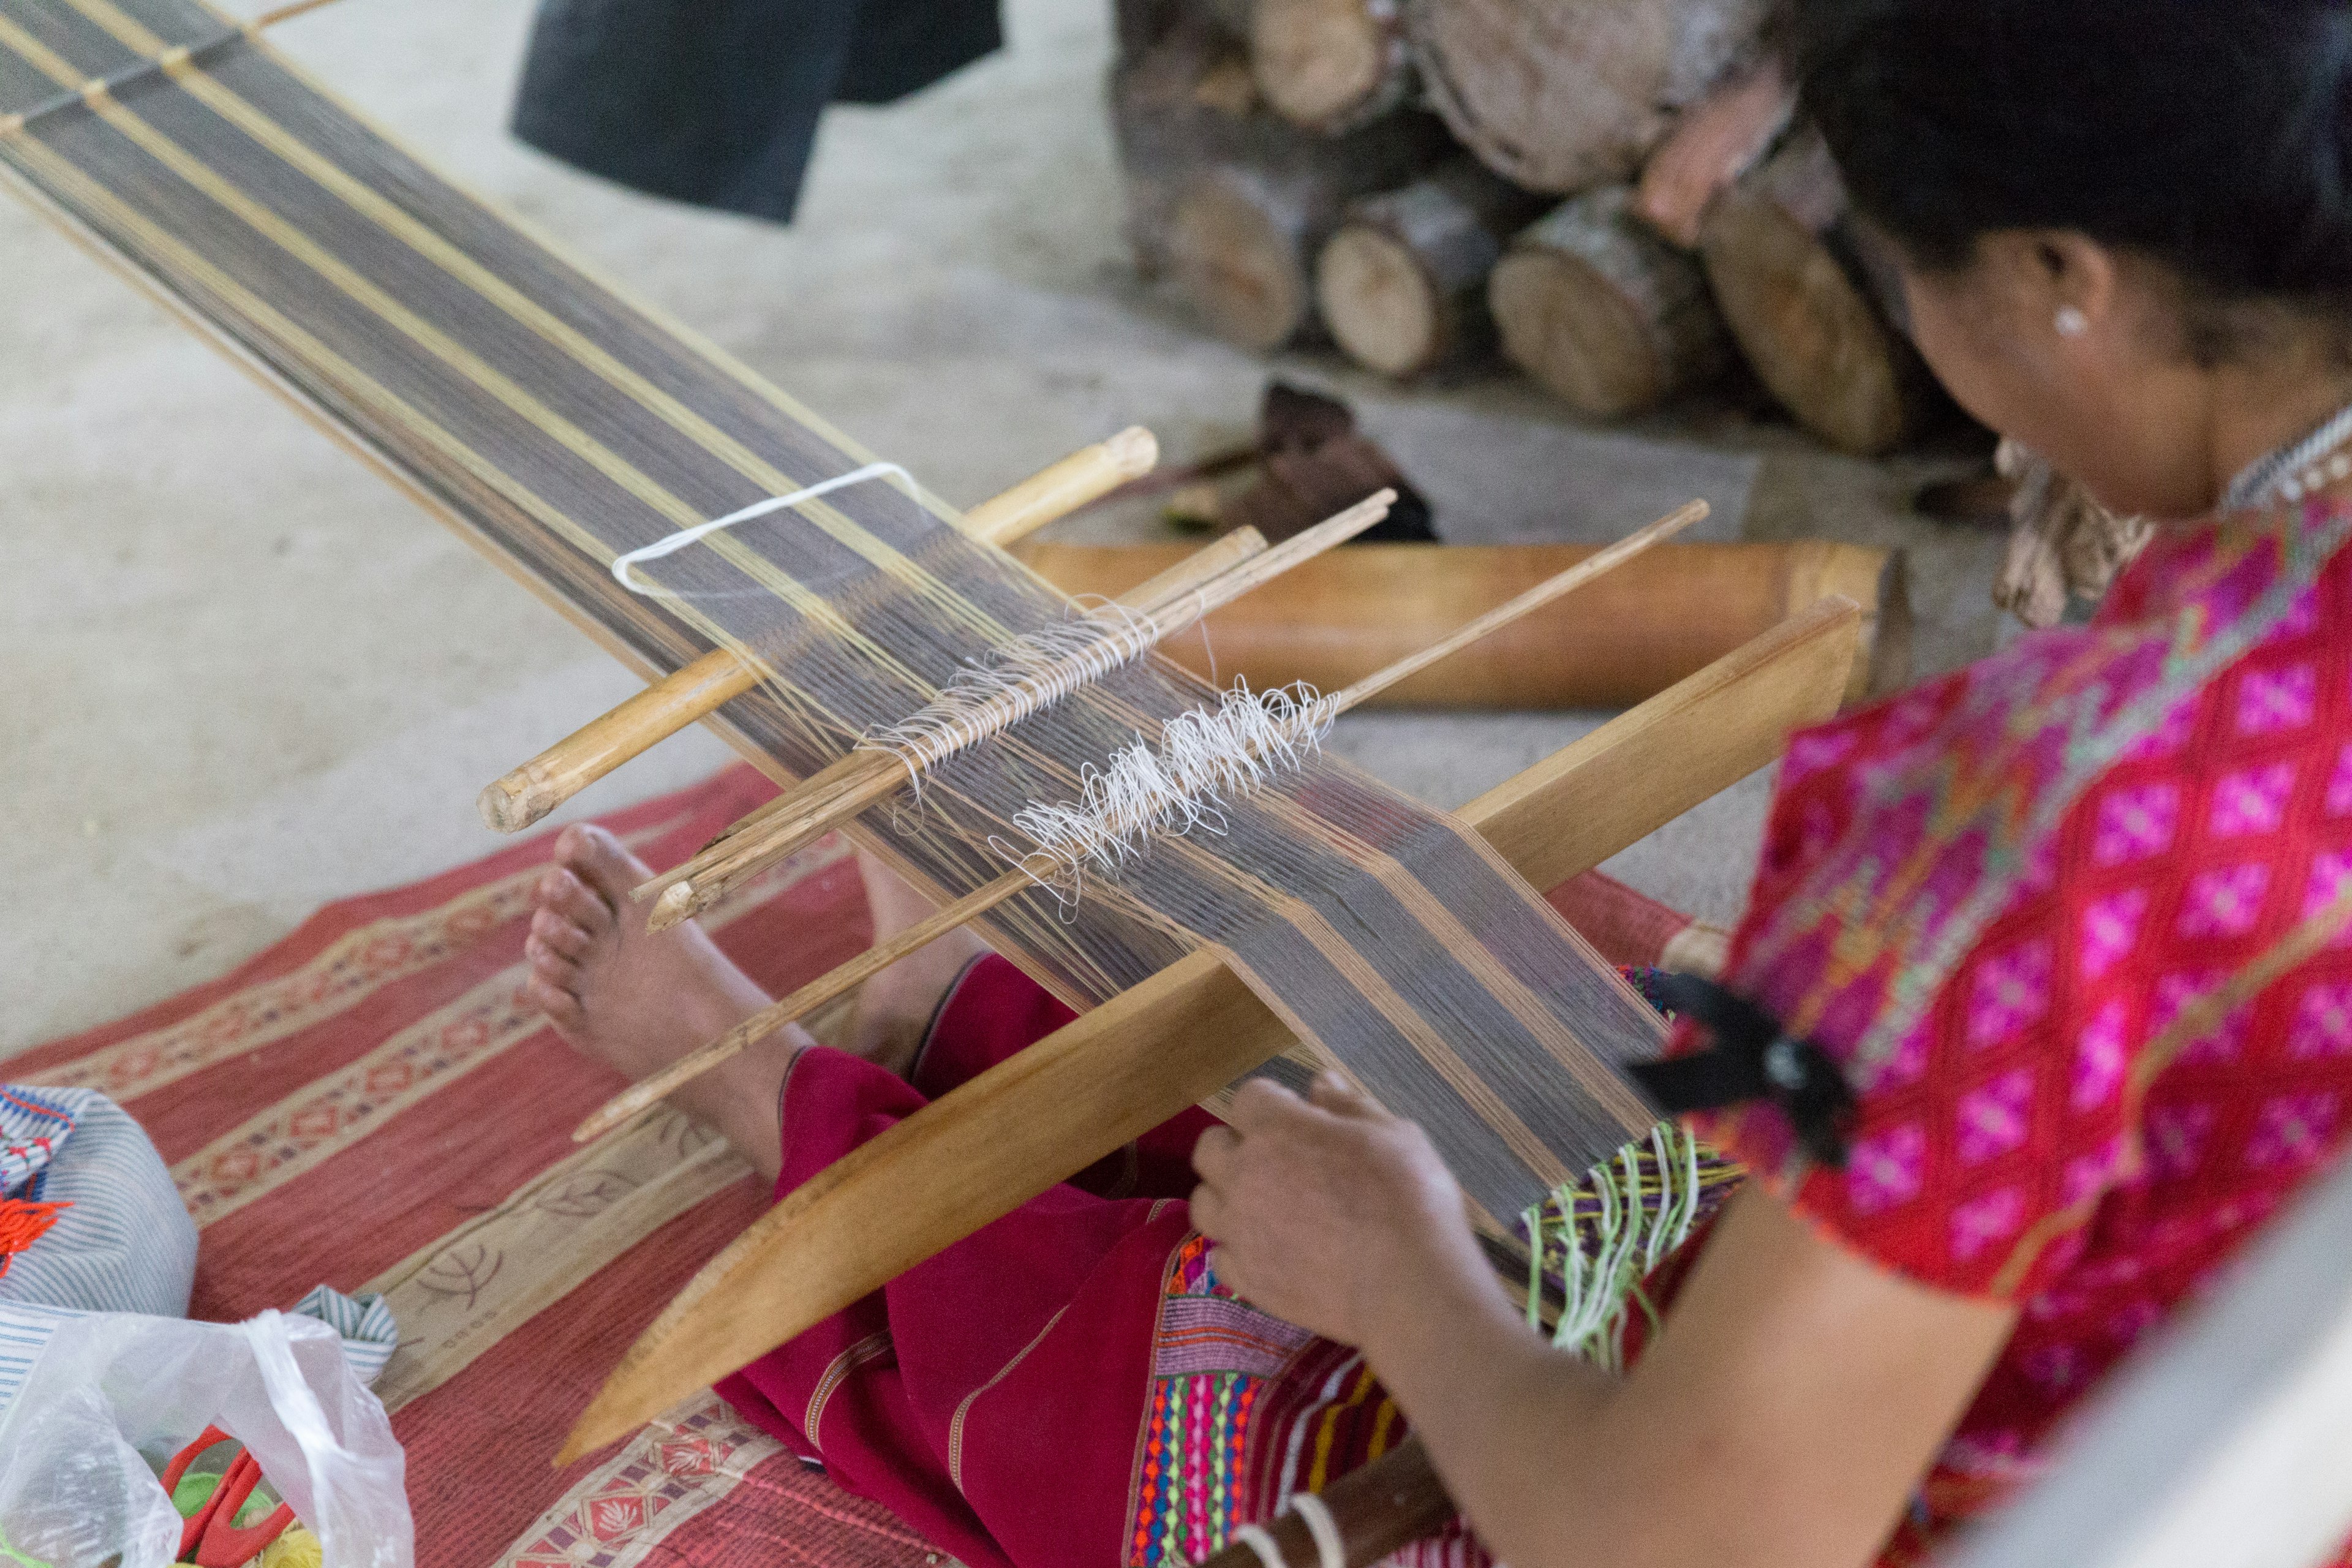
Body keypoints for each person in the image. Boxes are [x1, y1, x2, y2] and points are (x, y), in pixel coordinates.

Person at [521, 1, 2352, 1561]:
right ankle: (950, 1005)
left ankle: (788, 1108)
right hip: (2239, 1388)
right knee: (1471, 1078)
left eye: (1904, 261)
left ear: (2064, 279)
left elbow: (1687, 1544)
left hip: (2108, 1495)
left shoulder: (2032, 817)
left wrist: (1398, 1281)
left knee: (1225, 1345)